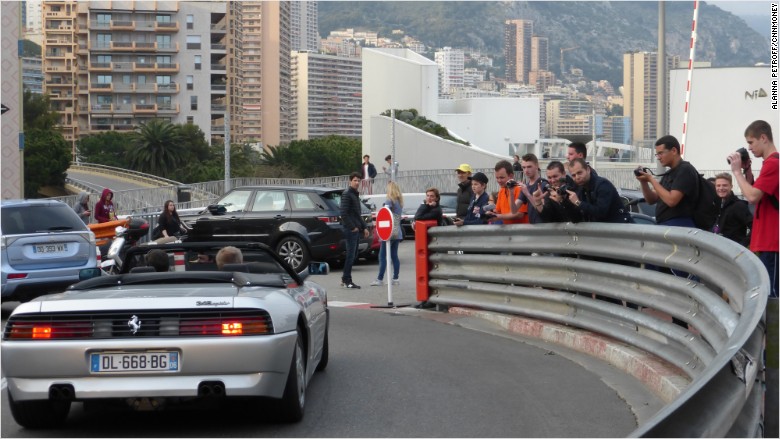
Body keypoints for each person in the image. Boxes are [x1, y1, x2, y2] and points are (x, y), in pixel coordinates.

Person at [728, 120, 778, 298]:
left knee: (772, 295)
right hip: (767, 240)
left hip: (773, 241)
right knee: (770, 292)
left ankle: (774, 327)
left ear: (763, 138)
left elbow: (751, 196)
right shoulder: (769, 164)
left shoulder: (773, 164)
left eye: (751, 142)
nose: (749, 148)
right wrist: (747, 169)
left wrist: (736, 172)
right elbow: (754, 191)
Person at [635, 135, 699, 228]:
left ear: (674, 151)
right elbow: (651, 200)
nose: (658, 157)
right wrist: (644, 182)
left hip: (680, 225)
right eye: (657, 154)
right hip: (667, 225)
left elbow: (671, 200)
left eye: (661, 153)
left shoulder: (685, 169)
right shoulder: (669, 173)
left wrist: (651, 179)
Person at [563, 158, 633, 223]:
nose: (577, 177)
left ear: (588, 170)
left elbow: (600, 212)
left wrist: (578, 202)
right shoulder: (580, 188)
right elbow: (577, 219)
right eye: (573, 175)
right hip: (603, 231)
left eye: (579, 173)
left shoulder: (602, 185)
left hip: (622, 228)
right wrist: (564, 201)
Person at [340, 172, 369, 289]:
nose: (357, 183)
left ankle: (344, 277)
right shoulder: (347, 194)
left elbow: (357, 214)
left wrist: (365, 227)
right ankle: (347, 280)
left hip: (356, 229)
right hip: (350, 229)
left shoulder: (355, 195)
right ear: (350, 181)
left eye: (358, 181)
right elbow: (343, 213)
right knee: (351, 255)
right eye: (355, 180)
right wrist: (353, 227)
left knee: (354, 254)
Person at [371, 181, 404, 286]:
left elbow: (385, 214)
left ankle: (380, 279)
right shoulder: (400, 201)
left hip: (389, 232)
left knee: (382, 256)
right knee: (394, 255)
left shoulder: (389, 200)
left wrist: (383, 207)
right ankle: (396, 278)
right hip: (397, 231)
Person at [712, 173, 752, 247]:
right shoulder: (718, 205)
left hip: (734, 251)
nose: (721, 188)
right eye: (718, 185)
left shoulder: (739, 206)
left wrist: (742, 244)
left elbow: (754, 226)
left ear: (731, 186)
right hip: (720, 248)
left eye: (725, 185)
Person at [486, 160, 526, 224]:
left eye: (501, 177)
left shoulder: (520, 189)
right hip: (508, 230)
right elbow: (498, 211)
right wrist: (491, 214)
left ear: (511, 176)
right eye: (497, 178)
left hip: (520, 231)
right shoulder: (502, 190)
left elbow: (519, 214)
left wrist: (498, 216)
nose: (499, 180)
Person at [516, 153, 548, 224]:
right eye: (524, 167)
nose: (526, 170)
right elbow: (514, 210)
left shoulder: (543, 184)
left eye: (529, 167)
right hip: (532, 227)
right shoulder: (526, 186)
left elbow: (542, 211)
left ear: (537, 165)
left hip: (543, 227)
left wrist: (527, 194)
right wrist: (511, 192)